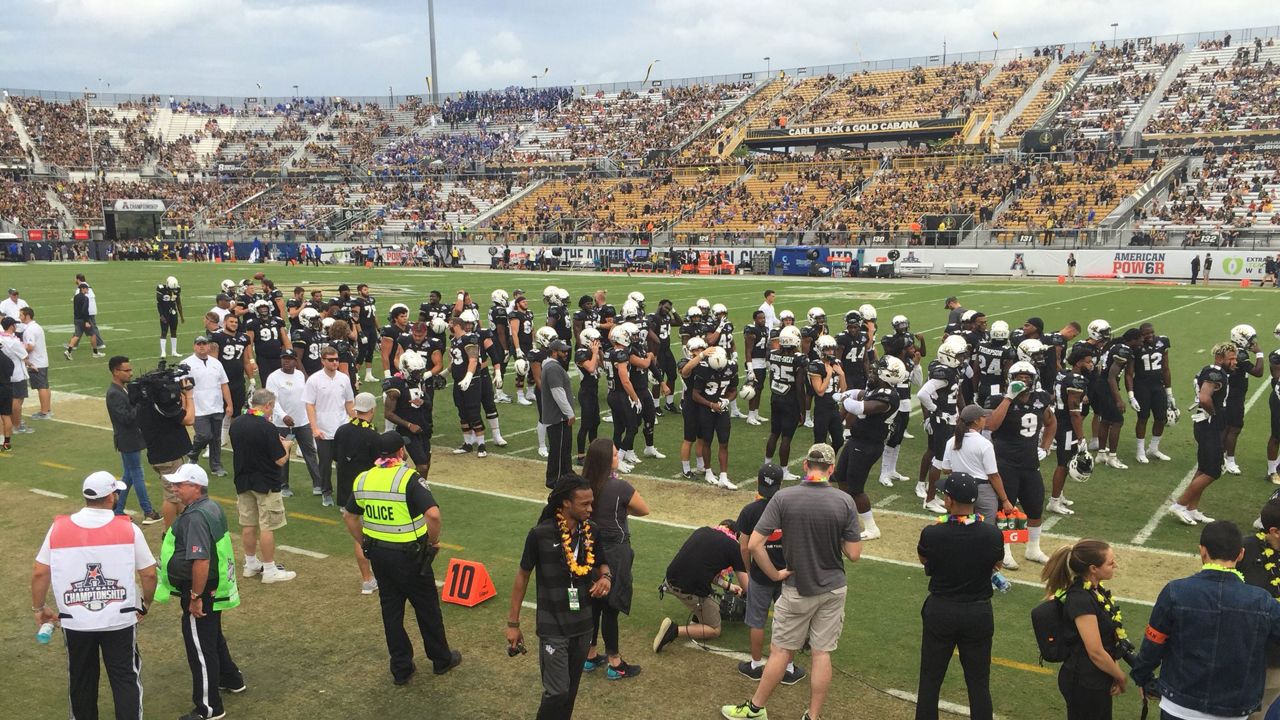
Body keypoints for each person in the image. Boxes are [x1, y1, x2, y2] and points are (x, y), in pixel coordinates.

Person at [721, 444, 862, 720]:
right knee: (822, 654)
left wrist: (774, 575)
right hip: (833, 587)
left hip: (798, 587)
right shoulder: (845, 501)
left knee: (780, 651)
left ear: (806, 466)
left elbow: (754, 545)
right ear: (831, 469)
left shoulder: (784, 498)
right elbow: (854, 554)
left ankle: (755, 709)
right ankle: (813, 716)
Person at [30, 471, 158, 720]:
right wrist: (144, 604)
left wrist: (38, 608)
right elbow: (149, 574)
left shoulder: (59, 528)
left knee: (81, 679)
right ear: (111, 497)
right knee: (125, 678)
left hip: (75, 620)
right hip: (119, 619)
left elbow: (39, 572)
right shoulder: (128, 529)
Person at [343, 432, 462, 685]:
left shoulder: (364, 478)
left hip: (379, 555)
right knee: (427, 609)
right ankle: (440, 659)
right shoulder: (407, 478)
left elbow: (349, 516)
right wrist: (432, 540)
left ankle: (400, 667)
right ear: (400, 452)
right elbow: (433, 515)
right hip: (410, 556)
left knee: (391, 612)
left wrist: (363, 540)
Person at [1131, 521, 1280, 720]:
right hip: (1234, 709)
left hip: (1179, 704)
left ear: (1202, 551)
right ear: (1241, 554)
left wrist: (1143, 677)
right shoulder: (1261, 600)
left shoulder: (1176, 591)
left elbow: (1154, 643)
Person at [506, 474, 613, 720]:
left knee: (570, 692)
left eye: (591, 503)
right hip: (553, 626)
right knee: (557, 692)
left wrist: (607, 579)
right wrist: (513, 624)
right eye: (584, 504)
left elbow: (604, 564)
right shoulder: (540, 534)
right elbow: (522, 576)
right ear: (565, 503)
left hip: (584, 625)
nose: (590, 508)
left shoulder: (592, 532)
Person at [157, 463, 246, 720]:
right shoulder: (211, 507)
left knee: (200, 646)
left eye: (180, 484)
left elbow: (201, 560)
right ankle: (231, 678)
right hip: (214, 586)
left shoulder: (195, 517)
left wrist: (195, 597)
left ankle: (209, 708)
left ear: (195, 487)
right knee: (212, 636)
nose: (174, 488)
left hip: (201, 589)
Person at [915, 473, 1004, 720]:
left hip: (941, 610)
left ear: (949, 501)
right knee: (978, 683)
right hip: (978, 612)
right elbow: (997, 564)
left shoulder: (933, 533)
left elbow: (924, 559)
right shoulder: (992, 534)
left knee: (930, 679)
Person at [582, 438, 649, 680]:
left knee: (593, 605)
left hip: (589, 552)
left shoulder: (583, 485)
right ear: (604, 461)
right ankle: (614, 663)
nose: (617, 457)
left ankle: (589, 656)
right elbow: (644, 509)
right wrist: (621, 509)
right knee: (610, 608)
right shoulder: (620, 488)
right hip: (615, 552)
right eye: (613, 455)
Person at [735, 462, 807, 684]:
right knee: (790, 622)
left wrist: (748, 568)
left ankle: (756, 665)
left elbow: (744, 546)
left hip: (760, 575)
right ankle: (788, 668)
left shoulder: (749, 511)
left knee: (756, 621)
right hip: (788, 574)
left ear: (758, 483)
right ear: (780, 484)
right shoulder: (790, 508)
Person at [1041, 539, 1128, 719]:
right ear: (1093, 569)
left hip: (1097, 676)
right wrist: (1120, 676)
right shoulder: (1080, 599)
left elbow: (1108, 638)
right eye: (1110, 563)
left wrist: (1112, 669)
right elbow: (1095, 651)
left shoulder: (1097, 591)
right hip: (1084, 682)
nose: (1115, 565)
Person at [228, 388, 295, 585]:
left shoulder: (237, 423)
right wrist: (287, 446)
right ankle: (270, 569)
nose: (272, 411)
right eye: (272, 407)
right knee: (267, 526)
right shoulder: (267, 427)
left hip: (243, 480)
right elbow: (281, 460)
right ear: (267, 405)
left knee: (248, 524)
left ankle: (250, 564)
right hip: (265, 482)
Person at [654, 518, 749, 651]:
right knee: (715, 629)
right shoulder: (734, 547)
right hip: (688, 589)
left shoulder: (702, 531)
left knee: (709, 597)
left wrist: (729, 586)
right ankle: (673, 631)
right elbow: (747, 587)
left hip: (670, 581)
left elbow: (705, 568)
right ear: (737, 535)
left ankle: (698, 617)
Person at [1171, 342, 1237, 525]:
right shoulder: (1215, 373)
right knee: (1213, 470)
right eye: (1231, 358)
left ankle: (1192, 509)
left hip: (1206, 424)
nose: (1234, 362)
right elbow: (1204, 397)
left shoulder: (1211, 370)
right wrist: (1214, 414)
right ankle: (1179, 505)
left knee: (1203, 468)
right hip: (1208, 425)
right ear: (1220, 358)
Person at [334, 391, 380, 594]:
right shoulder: (372, 435)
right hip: (367, 492)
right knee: (369, 537)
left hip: (346, 490)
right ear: (371, 410)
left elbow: (336, 457)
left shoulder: (342, 430)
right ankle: (370, 579)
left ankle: (367, 579)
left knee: (358, 538)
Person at [105, 356, 161, 523]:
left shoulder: (123, 389)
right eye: (127, 370)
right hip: (127, 439)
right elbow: (126, 418)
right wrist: (139, 403)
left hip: (131, 439)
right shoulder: (114, 393)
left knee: (129, 476)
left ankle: (117, 510)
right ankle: (148, 511)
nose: (131, 373)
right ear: (116, 371)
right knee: (137, 475)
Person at [265, 349, 321, 497]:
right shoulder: (274, 377)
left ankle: (318, 484)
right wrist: (283, 416)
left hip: (302, 422)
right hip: (283, 424)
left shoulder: (300, 375)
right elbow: (272, 400)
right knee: (284, 454)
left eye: (290, 358)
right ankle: (283, 486)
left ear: (296, 361)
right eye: (284, 358)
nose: (286, 361)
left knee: (310, 452)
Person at [1243, 500, 1280, 719]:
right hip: (1244, 652)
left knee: (1264, 712)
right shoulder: (1243, 551)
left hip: (1276, 660)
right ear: (1274, 531)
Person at [305, 346, 356, 506]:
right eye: (331, 360)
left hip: (342, 428)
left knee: (344, 465)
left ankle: (343, 495)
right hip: (324, 430)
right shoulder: (314, 380)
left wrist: (356, 423)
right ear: (323, 361)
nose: (335, 362)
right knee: (325, 464)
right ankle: (326, 492)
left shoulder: (344, 378)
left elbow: (349, 402)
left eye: (336, 359)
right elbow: (310, 405)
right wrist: (314, 428)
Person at [183, 335, 232, 478]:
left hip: (216, 406)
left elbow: (224, 384)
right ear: (194, 346)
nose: (201, 346)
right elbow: (182, 387)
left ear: (208, 346)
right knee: (204, 435)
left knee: (215, 438)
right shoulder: (186, 364)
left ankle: (216, 466)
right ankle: (193, 454)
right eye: (199, 344)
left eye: (204, 344)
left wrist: (229, 404)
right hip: (198, 407)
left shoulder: (216, 363)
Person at [541, 339, 576, 488]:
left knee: (564, 448)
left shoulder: (551, 366)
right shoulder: (553, 368)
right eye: (563, 351)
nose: (566, 353)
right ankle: (556, 479)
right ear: (554, 352)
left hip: (558, 416)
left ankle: (567, 474)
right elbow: (558, 392)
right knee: (559, 449)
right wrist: (569, 413)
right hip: (558, 417)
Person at [19, 307, 51, 419]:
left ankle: (44, 412)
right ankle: (47, 409)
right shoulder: (36, 326)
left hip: (36, 362)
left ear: (27, 316)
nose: (19, 317)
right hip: (42, 360)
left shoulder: (29, 330)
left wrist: (21, 353)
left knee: (41, 387)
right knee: (45, 386)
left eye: (21, 315)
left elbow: (30, 346)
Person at [64, 282, 104, 359]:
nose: (87, 290)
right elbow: (85, 310)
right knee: (93, 335)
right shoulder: (85, 298)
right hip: (83, 320)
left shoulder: (76, 297)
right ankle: (95, 353)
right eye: (86, 289)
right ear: (82, 289)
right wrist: (86, 321)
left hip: (76, 319)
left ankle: (68, 351)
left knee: (76, 336)